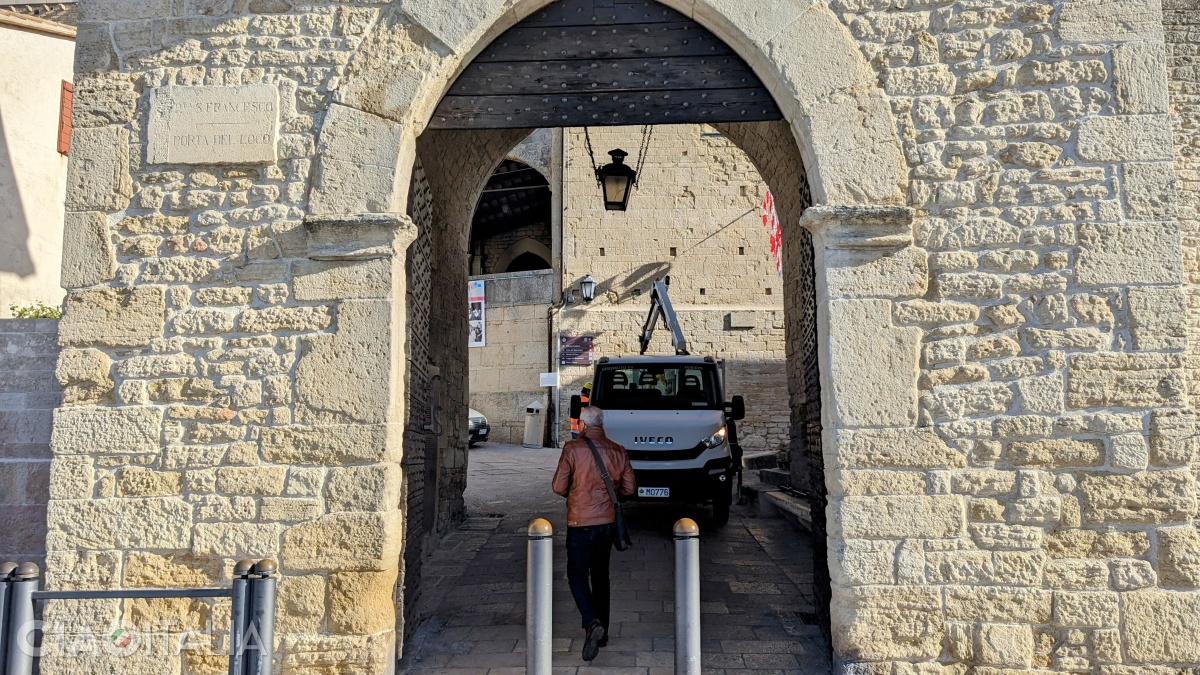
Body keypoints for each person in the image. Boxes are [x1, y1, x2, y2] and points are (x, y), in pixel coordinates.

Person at [551, 406, 636, 661]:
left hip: (579, 523)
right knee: (601, 576)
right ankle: (604, 633)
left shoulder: (572, 449)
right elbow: (630, 488)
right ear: (602, 424)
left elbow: (557, 487)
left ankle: (591, 621)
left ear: (583, 425)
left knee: (577, 574)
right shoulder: (618, 450)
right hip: (607, 523)